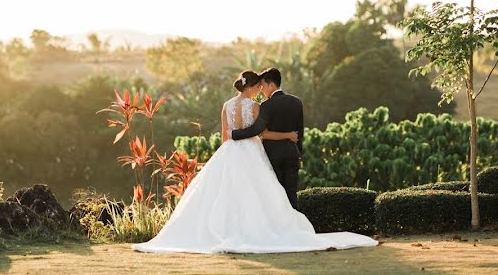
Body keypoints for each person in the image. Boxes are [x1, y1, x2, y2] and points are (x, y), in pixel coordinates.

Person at [133, 70, 377, 254]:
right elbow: (261, 133)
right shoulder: (256, 106)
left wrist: (228, 149)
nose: (261, 88)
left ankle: (224, 230)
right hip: (250, 151)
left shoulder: (227, 105)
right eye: (258, 85)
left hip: (229, 151)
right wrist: (289, 136)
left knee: (227, 193)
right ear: (253, 86)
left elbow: (224, 135)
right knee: (261, 192)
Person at [230, 67, 302, 208]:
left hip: (273, 155)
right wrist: (299, 152)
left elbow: (258, 130)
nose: (261, 89)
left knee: (277, 194)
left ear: (271, 84)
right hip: (292, 154)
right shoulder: (296, 102)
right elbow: (300, 132)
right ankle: (295, 225)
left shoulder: (266, 105)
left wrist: (234, 134)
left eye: (262, 86)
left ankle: (281, 226)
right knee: (292, 193)